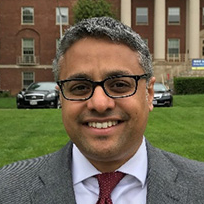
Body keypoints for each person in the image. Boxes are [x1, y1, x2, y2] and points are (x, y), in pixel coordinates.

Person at [0, 17, 204, 204]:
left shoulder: (199, 187)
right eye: (80, 87)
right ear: (61, 97)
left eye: (120, 85)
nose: (99, 103)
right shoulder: (7, 189)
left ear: (149, 94)